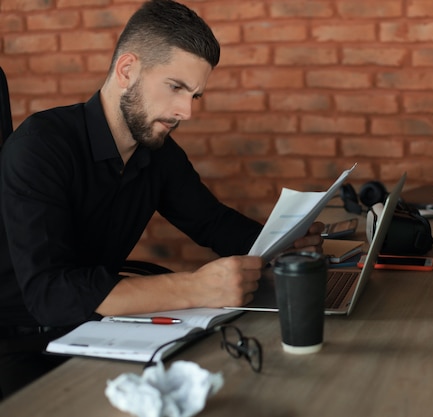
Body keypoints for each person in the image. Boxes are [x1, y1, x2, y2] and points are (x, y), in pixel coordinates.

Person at [0, 0, 323, 398]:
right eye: (176, 87)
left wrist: (287, 244)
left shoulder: (158, 153)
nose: (186, 111)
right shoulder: (40, 147)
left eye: (195, 96)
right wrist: (196, 287)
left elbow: (213, 223)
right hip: (21, 345)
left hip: (102, 331)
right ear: (127, 69)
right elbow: (50, 294)